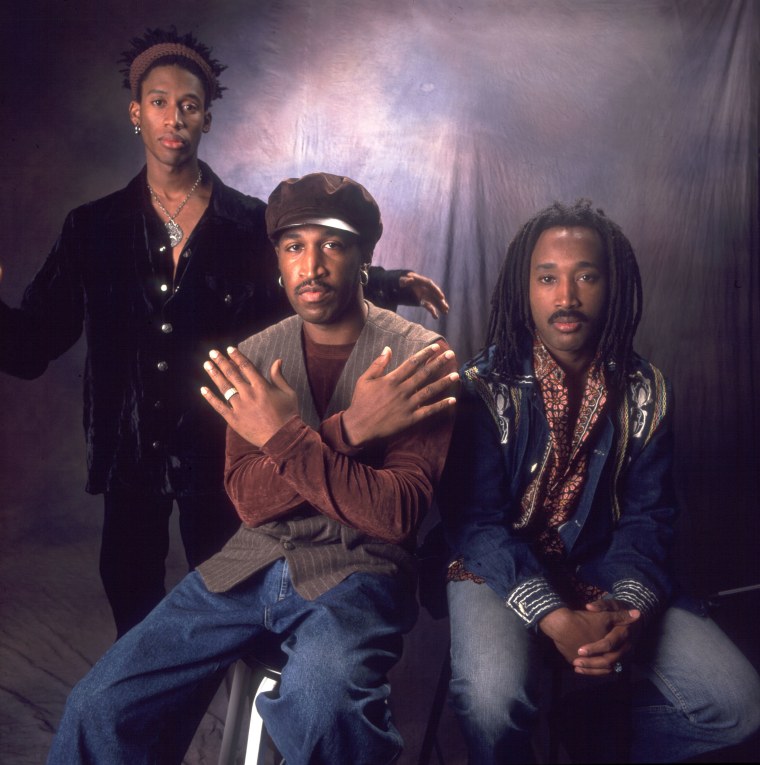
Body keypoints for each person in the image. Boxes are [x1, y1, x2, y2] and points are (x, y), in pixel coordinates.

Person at [0, 27, 449, 638]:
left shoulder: (247, 223)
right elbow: (31, 345)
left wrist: (388, 283)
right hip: (128, 454)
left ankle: (249, 721)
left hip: (225, 446)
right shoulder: (92, 227)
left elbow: (307, 285)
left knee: (240, 601)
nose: (173, 117)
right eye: (159, 102)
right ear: (136, 113)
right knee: (132, 602)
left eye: (188, 105)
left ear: (206, 118)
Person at [45, 171, 459, 765]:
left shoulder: (422, 359)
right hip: (247, 566)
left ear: (365, 256)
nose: (311, 266)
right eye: (294, 247)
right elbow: (251, 501)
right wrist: (351, 429)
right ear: (278, 260)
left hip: (358, 574)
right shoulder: (256, 356)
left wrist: (283, 437)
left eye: (332, 244)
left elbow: (394, 514)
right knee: (99, 704)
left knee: (325, 706)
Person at [437, 199, 760, 763]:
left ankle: (589, 734)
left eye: (586, 276)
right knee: (491, 703)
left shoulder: (646, 390)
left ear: (611, 285)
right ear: (525, 289)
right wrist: (552, 615)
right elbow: (475, 524)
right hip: (495, 569)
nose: (566, 298)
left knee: (737, 704)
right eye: (547, 278)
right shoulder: (482, 388)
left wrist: (622, 611)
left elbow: (648, 519)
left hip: (604, 568)